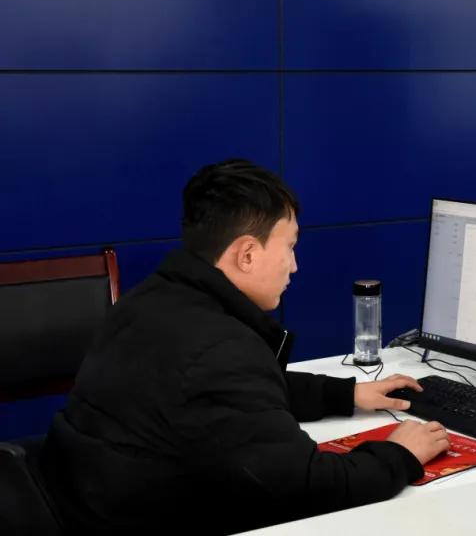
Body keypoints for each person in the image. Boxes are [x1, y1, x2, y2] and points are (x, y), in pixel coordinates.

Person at [41, 160, 450, 535]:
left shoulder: (153, 299)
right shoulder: (218, 348)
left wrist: (347, 394)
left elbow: (241, 397)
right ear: (247, 254)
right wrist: (400, 454)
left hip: (89, 503)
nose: (295, 266)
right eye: (290, 247)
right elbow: (310, 488)